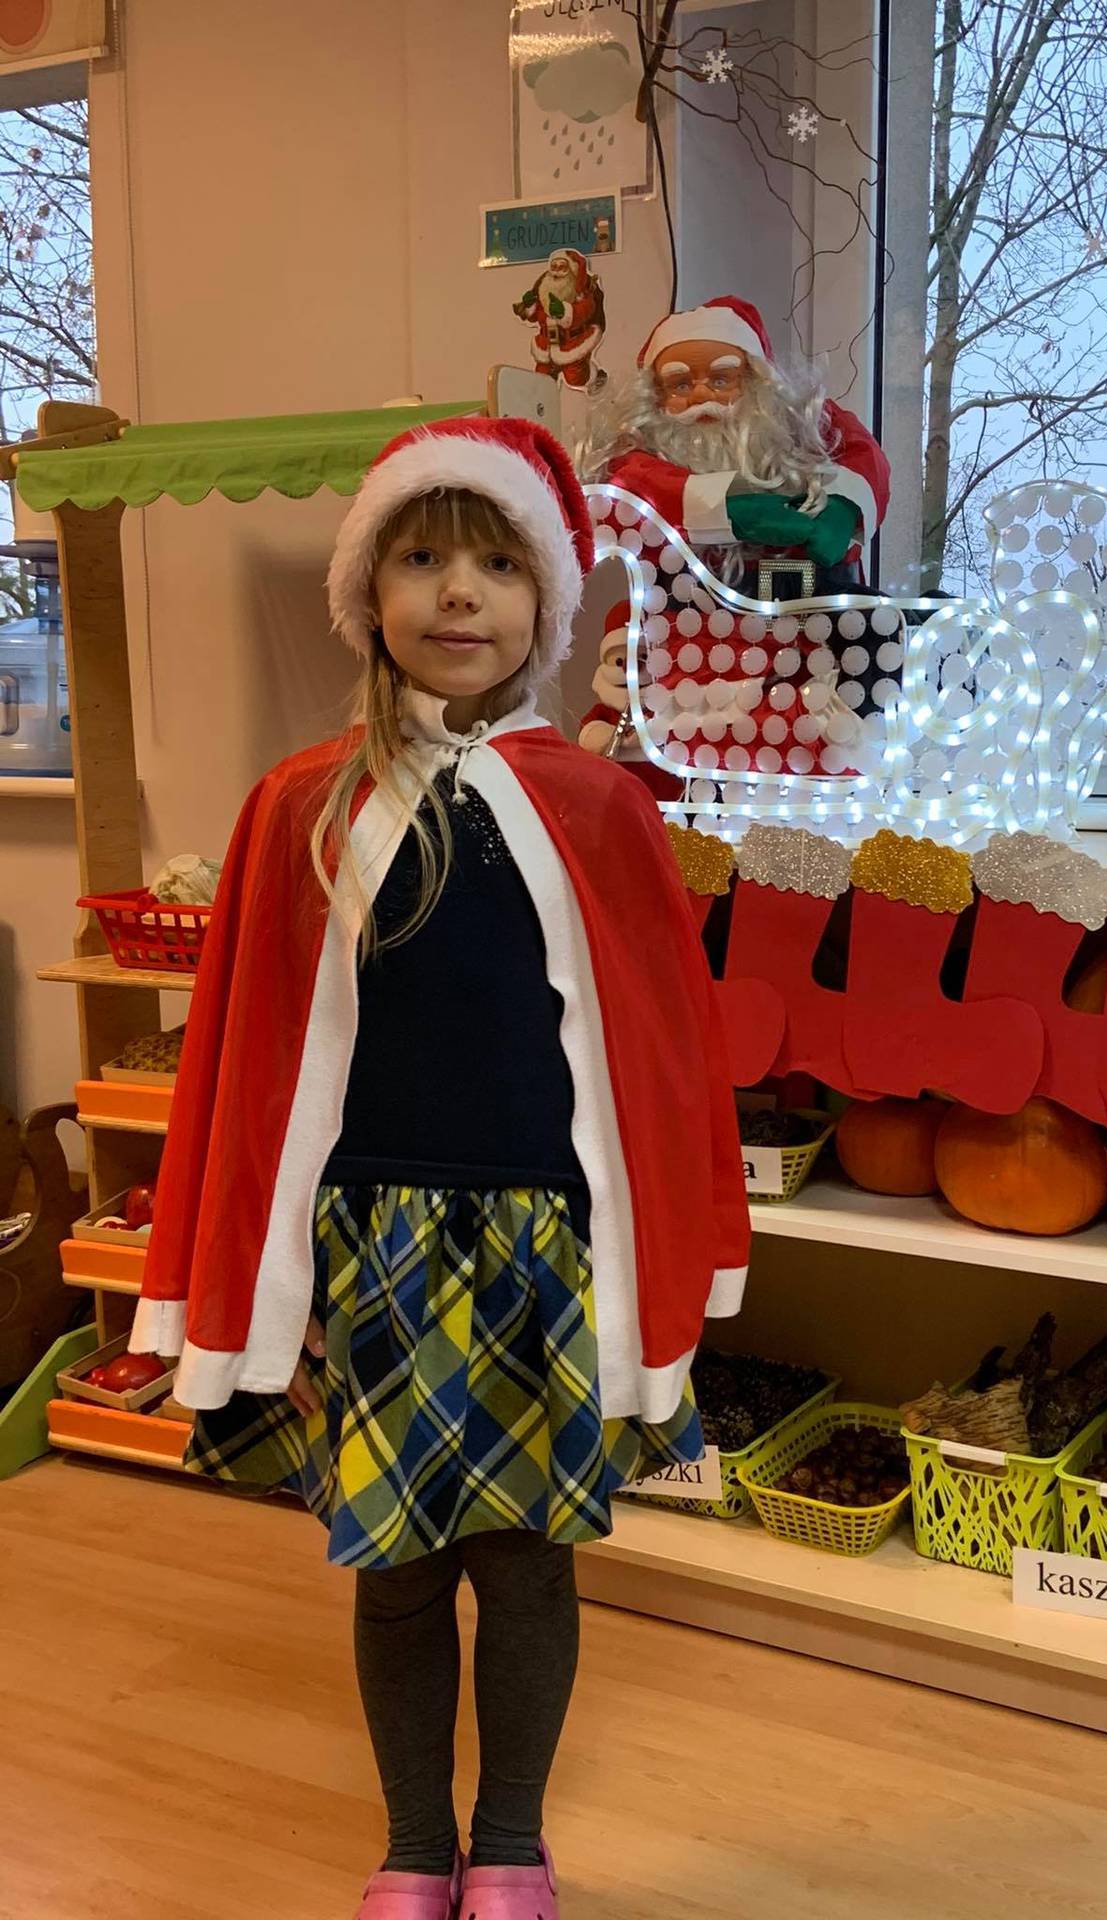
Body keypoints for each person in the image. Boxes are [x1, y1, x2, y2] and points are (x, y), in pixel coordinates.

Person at [129, 415, 748, 1920]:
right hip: (372, 1258)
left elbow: (662, 1060)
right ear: (369, 594)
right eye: (420, 556)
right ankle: (415, 1846)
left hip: (545, 1255)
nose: (458, 592)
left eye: (497, 563)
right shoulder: (300, 806)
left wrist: (666, 1256)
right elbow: (250, 1063)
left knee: (529, 1565)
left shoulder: (603, 809)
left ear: (548, 603)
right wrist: (257, 1282)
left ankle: (512, 1840)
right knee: (396, 1568)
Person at [573, 295, 891, 780]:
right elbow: (626, 485)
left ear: (757, 384)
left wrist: (843, 509)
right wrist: (730, 508)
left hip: (810, 643)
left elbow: (862, 455)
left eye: (722, 379)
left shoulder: (809, 425)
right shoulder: (639, 450)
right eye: (681, 384)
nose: (702, 395)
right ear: (654, 399)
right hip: (691, 657)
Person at [511, 247, 606, 389]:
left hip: (571, 344)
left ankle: (595, 376)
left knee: (575, 378)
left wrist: (564, 312)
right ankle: (546, 394)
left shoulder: (581, 293)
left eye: (562, 267)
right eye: (554, 267)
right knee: (542, 377)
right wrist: (529, 307)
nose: (557, 272)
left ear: (571, 270)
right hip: (547, 342)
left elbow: (585, 311)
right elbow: (536, 316)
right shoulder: (545, 289)